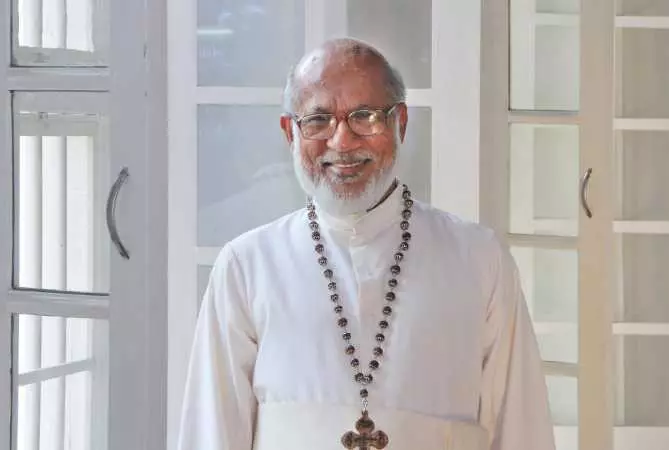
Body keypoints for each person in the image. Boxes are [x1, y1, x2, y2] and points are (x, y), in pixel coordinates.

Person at [177, 38, 555, 450]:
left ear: (400, 123)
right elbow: (211, 436)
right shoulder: (245, 267)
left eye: (365, 116)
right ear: (290, 132)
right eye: (318, 120)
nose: (342, 142)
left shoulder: (480, 260)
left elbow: (522, 431)